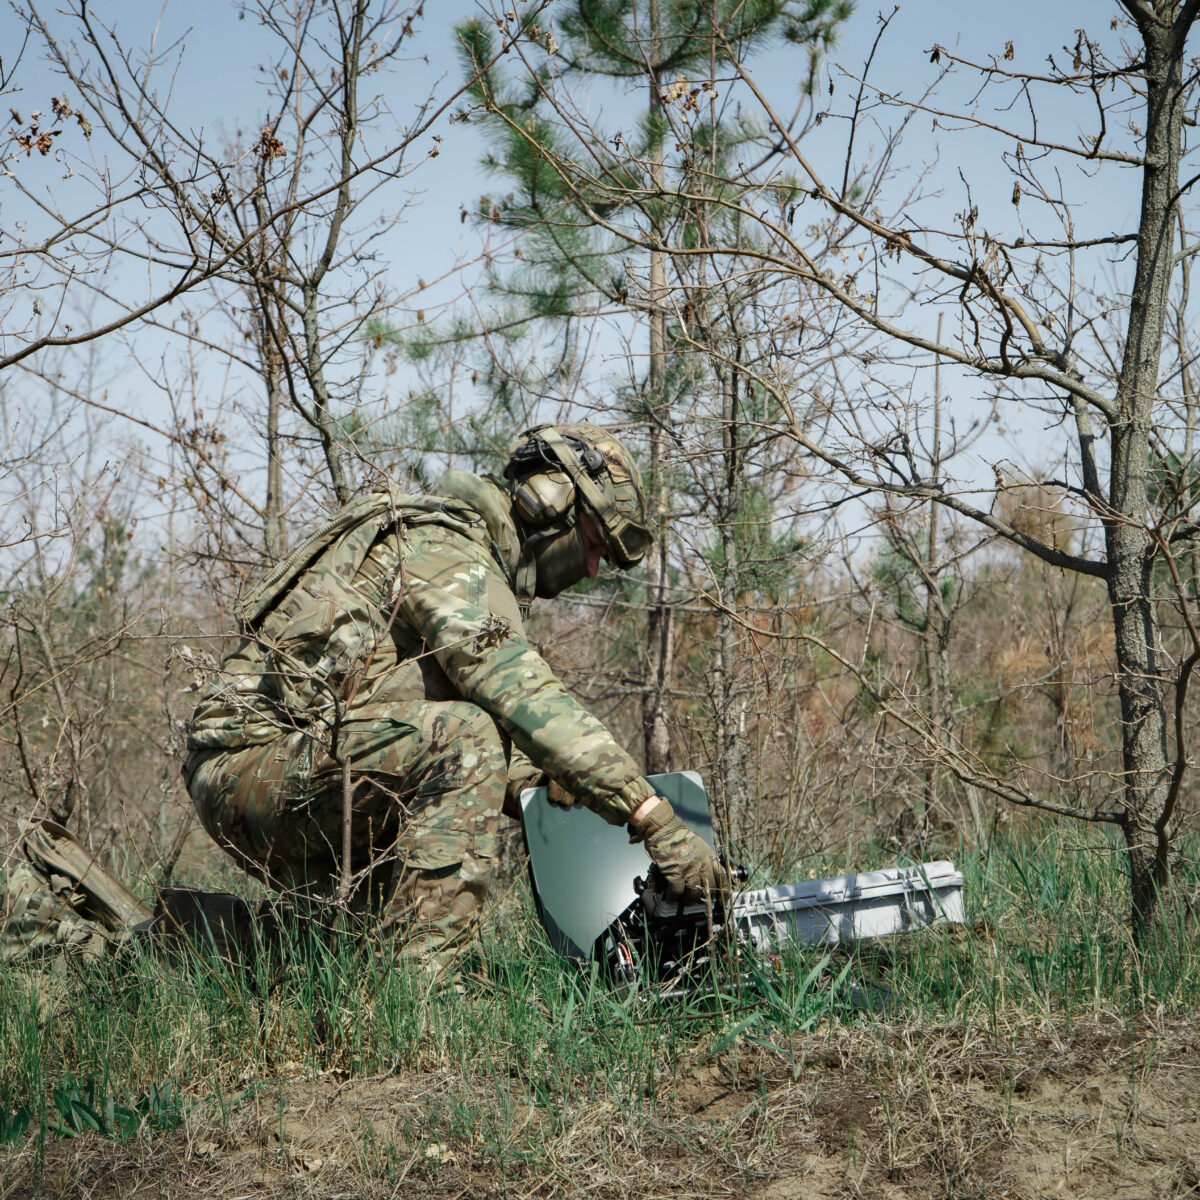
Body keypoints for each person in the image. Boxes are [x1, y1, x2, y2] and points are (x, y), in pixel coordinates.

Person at [182, 423, 726, 974]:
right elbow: (518, 692)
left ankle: (175, 945)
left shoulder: (469, 559)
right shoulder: (444, 549)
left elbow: (417, 721)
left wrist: (540, 784)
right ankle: (422, 996)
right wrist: (652, 817)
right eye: (591, 545)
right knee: (465, 738)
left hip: (298, 768)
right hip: (248, 769)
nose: (590, 569)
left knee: (336, 951)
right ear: (549, 503)